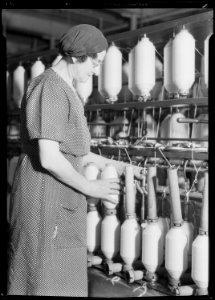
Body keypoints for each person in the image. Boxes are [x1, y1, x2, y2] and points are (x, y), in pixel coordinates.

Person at [7, 24, 143, 297]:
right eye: (96, 62)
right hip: (45, 206)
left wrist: (123, 167)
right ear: (77, 55)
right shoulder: (50, 87)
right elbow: (48, 156)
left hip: (62, 206)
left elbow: (75, 151)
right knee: (42, 283)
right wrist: (92, 188)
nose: (96, 70)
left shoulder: (66, 89)